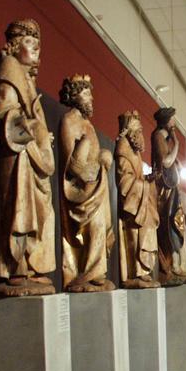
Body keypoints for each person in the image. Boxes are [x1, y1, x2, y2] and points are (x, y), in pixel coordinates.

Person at [0, 19, 56, 296]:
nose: (37, 52)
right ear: (16, 45)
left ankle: (32, 267)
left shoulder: (29, 81)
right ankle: (15, 269)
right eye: (31, 44)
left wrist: (42, 137)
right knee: (18, 209)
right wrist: (31, 128)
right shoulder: (10, 70)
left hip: (33, 157)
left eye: (39, 47)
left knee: (41, 212)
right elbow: (5, 115)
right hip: (17, 155)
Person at [58, 74, 115, 292]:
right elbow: (72, 165)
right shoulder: (69, 121)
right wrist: (90, 165)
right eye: (86, 94)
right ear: (74, 96)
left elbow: (93, 155)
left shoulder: (88, 125)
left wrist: (103, 157)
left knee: (100, 227)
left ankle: (96, 273)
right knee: (93, 227)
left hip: (96, 185)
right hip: (81, 190)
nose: (91, 99)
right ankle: (87, 273)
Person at [115, 111, 160, 289]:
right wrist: (143, 185)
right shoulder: (123, 149)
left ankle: (143, 270)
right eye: (138, 129)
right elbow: (125, 181)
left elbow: (138, 177)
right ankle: (135, 273)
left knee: (148, 229)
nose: (141, 133)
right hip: (132, 204)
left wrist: (148, 180)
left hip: (142, 200)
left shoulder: (135, 151)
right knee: (135, 234)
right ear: (130, 131)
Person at [151, 107, 186, 285]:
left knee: (177, 223)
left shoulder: (166, 138)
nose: (174, 123)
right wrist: (177, 145)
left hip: (172, 187)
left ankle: (178, 264)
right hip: (165, 188)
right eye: (173, 120)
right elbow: (166, 161)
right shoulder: (158, 136)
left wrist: (177, 160)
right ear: (166, 121)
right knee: (170, 224)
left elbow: (172, 160)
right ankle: (172, 265)